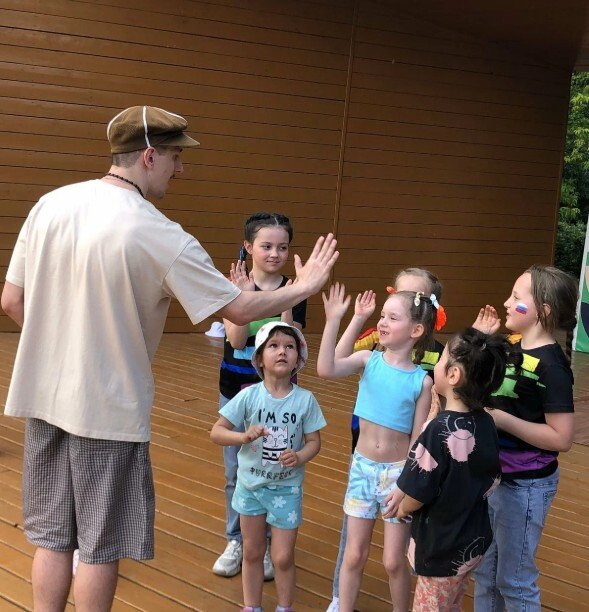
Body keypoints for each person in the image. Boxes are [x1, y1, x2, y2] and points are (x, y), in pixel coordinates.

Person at [0, 105, 338, 612]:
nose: (180, 169)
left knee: (51, 538)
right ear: (149, 155)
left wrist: (62, 348)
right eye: (176, 156)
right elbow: (238, 308)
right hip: (107, 411)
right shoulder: (160, 233)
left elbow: (12, 300)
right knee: (100, 546)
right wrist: (305, 285)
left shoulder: (51, 204)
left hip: (42, 399)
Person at [326, 268, 446, 612]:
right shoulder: (369, 360)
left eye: (392, 317)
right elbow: (327, 367)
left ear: (417, 329)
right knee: (354, 554)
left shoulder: (422, 381)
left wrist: (406, 484)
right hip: (362, 468)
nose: (382, 321)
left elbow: (417, 439)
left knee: (394, 561)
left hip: (396, 475)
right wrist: (342, 319)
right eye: (382, 315)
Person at [385, 328, 519, 611]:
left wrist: (402, 509)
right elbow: (488, 475)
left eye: (442, 358)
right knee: (451, 603)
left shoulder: (438, 430)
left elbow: (418, 491)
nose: (436, 364)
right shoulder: (485, 422)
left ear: (454, 375)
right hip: (470, 541)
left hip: (440, 548)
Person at [472, 265, 577, 611]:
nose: (506, 302)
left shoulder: (552, 366)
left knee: (514, 581)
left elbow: (561, 438)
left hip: (525, 486)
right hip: (493, 478)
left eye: (516, 297)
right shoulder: (511, 349)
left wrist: (503, 420)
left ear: (542, 311)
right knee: (485, 573)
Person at [214, 212, 307, 580]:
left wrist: (289, 295)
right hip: (236, 392)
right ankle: (236, 539)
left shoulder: (295, 289)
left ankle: (266, 544)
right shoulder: (232, 286)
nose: (274, 254)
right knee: (235, 470)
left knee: (274, 468)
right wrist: (246, 295)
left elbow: (288, 343)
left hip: (279, 396)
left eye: (282, 247)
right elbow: (237, 340)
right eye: (266, 246)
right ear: (249, 246)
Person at [211, 322, 326, 612]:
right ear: (260, 359)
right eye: (273, 346)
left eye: (289, 347)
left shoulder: (305, 400)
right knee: (252, 551)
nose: (282, 351)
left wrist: (300, 456)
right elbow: (217, 432)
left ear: (298, 360)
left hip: (287, 489)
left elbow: (314, 441)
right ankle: (252, 606)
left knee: (283, 556)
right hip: (250, 487)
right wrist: (242, 436)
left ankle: (285, 607)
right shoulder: (249, 396)